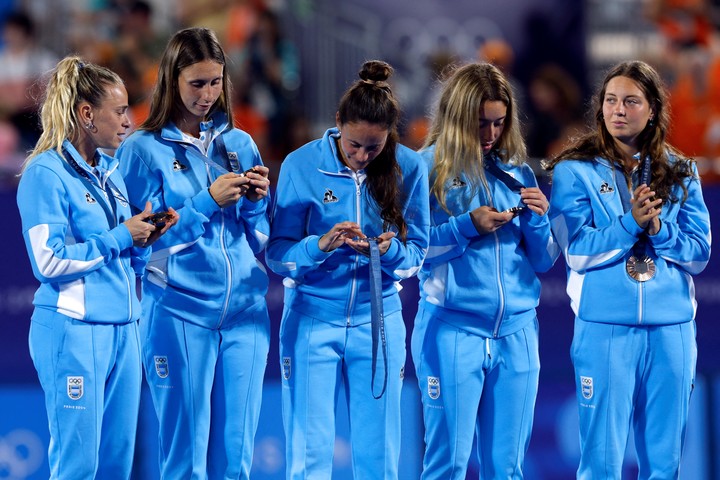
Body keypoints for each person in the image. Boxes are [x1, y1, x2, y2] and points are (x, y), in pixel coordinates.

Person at [115, 27, 271, 479]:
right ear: (171, 81)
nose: (208, 95)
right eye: (196, 84)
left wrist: (258, 204)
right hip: (179, 311)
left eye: (216, 82)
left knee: (239, 457)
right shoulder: (142, 152)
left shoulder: (240, 144)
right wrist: (207, 202)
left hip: (246, 313)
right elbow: (141, 245)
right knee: (184, 458)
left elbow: (260, 239)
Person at [544, 60, 711, 478]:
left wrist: (656, 228)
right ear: (600, 108)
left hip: (671, 329)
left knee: (665, 463)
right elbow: (578, 252)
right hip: (605, 328)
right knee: (601, 462)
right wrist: (629, 224)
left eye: (631, 101)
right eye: (611, 100)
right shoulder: (573, 169)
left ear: (652, 109)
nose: (619, 110)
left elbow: (699, 253)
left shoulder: (681, 169)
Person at [266, 59, 430, 480]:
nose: (361, 156)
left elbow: (417, 257)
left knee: (379, 458)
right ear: (338, 123)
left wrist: (388, 253)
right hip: (310, 321)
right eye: (353, 145)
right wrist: (319, 245)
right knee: (310, 455)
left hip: (377, 324)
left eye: (373, 148)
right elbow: (277, 253)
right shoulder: (300, 165)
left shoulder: (409, 168)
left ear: (389, 136)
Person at [16, 56, 177, 479]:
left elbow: (123, 257)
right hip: (73, 329)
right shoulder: (45, 173)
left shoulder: (110, 172)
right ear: (87, 115)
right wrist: (123, 236)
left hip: (124, 329)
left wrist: (144, 240)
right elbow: (48, 261)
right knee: (78, 465)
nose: (129, 121)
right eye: (120, 111)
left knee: (116, 465)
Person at [411, 62, 558, 479]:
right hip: (453, 330)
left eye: (499, 122)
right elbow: (409, 254)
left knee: (508, 469)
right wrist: (465, 227)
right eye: (480, 124)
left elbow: (545, 260)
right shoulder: (424, 170)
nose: (491, 134)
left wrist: (538, 221)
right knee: (448, 466)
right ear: (458, 117)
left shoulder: (518, 171)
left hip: (517, 332)